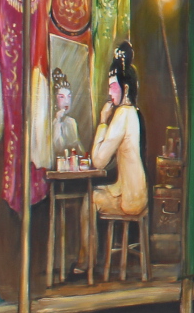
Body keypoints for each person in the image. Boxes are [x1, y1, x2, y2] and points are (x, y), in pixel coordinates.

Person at [91, 46, 148, 218]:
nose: (109, 92)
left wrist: (102, 122)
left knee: (90, 199)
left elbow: (99, 161)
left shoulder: (122, 114)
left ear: (126, 88)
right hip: (137, 193)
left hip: (130, 199)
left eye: (113, 87)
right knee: (99, 191)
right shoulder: (133, 112)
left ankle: (84, 239)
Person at [51, 69, 81, 160]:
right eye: (61, 97)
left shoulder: (72, 122)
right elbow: (58, 148)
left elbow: (78, 148)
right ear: (55, 99)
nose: (66, 101)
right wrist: (58, 122)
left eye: (69, 96)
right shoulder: (51, 123)